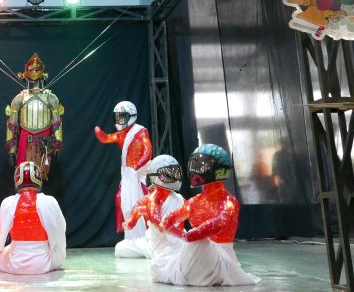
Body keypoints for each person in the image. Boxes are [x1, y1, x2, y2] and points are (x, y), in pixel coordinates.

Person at [158, 144, 261, 286]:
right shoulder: (194, 202)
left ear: (218, 170)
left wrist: (186, 235)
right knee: (192, 245)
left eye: (201, 165)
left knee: (199, 242)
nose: (194, 170)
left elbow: (216, 225)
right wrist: (183, 235)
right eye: (194, 165)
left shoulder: (229, 203)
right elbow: (166, 221)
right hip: (195, 251)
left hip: (222, 258)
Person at [93, 101, 152, 257]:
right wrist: (99, 133)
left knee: (143, 203)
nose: (119, 120)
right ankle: (132, 236)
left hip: (139, 175)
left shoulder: (141, 131)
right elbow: (106, 138)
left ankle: (146, 235)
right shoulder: (121, 134)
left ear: (131, 116)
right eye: (117, 117)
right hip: (128, 175)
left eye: (122, 117)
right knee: (120, 198)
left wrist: (136, 168)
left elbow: (148, 152)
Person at [0, 161, 66, 274]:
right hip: (43, 264)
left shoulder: (8, 203)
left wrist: (1, 252)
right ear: (39, 179)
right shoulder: (50, 202)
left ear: (17, 180)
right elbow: (60, 231)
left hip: (15, 264)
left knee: (3, 255)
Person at [5, 54, 64, 179]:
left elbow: (56, 123)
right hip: (25, 142)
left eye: (37, 69)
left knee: (40, 175)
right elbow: (12, 126)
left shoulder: (51, 98)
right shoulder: (19, 99)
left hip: (44, 143)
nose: (35, 71)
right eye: (32, 69)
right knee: (23, 176)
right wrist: (12, 150)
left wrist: (57, 146)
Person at [122, 155, 185, 262]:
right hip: (180, 241)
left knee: (120, 248)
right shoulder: (180, 199)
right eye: (168, 174)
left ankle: (163, 249)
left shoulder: (151, 199)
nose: (172, 177)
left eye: (173, 173)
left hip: (160, 243)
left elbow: (158, 222)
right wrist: (131, 221)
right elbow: (135, 217)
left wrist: (131, 222)